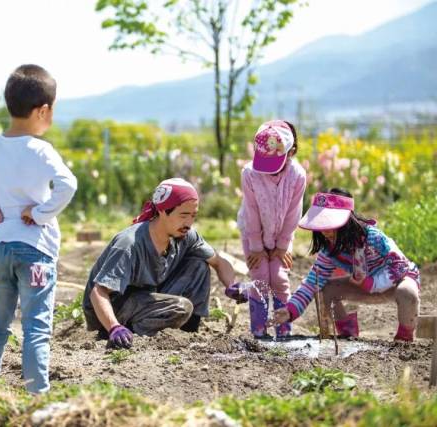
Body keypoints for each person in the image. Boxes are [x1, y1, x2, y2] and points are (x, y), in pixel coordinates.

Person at [0, 64, 77, 394]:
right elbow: (68, 184)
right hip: (35, 253)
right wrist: (41, 213)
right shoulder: (40, 149)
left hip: (0, 249)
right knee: (35, 326)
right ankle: (37, 396)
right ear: (43, 111)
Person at [82, 178, 239, 349]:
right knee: (182, 307)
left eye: (193, 216)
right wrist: (113, 327)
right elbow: (98, 292)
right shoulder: (130, 244)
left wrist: (231, 286)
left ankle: (186, 333)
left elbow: (218, 262)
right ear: (163, 211)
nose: (189, 223)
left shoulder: (186, 235)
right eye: (183, 215)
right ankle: (128, 333)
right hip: (113, 307)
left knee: (199, 266)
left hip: (147, 295)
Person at [271, 188, 421, 342]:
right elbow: (311, 283)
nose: (324, 231)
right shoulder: (329, 250)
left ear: (347, 221)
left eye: (330, 223)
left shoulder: (374, 238)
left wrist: (372, 283)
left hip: (395, 282)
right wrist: (290, 310)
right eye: (321, 224)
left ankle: (404, 339)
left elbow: (399, 267)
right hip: (363, 285)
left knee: (407, 292)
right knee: (324, 289)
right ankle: (345, 335)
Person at [237, 119, 306, 338]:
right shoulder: (250, 174)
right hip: (252, 233)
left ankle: (283, 331)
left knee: (279, 278)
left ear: (291, 151)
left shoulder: (297, 176)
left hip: (282, 236)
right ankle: (259, 332)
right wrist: (256, 246)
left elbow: (294, 212)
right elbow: (252, 211)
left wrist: (284, 244)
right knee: (260, 277)